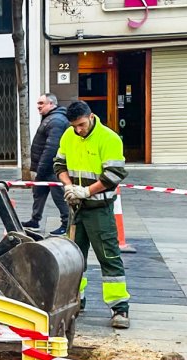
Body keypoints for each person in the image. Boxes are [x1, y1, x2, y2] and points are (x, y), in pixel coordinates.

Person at [54, 100, 131, 329]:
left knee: (108, 257)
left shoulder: (109, 139)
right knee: (74, 258)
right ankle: (75, 300)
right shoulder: (69, 135)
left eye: (81, 125)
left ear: (91, 116)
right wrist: (68, 186)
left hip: (99, 210)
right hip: (76, 209)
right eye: (74, 126)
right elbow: (60, 165)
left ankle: (120, 308)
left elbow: (114, 174)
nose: (78, 130)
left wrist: (86, 191)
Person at [23, 93, 70, 235]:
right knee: (39, 193)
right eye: (38, 103)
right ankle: (34, 220)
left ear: (51, 104)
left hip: (52, 169)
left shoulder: (56, 120)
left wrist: (41, 169)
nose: (38, 106)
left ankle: (66, 224)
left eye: (41, 103)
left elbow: (51, 149)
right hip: (46, 168)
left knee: (59, 197)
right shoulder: (50, 118)